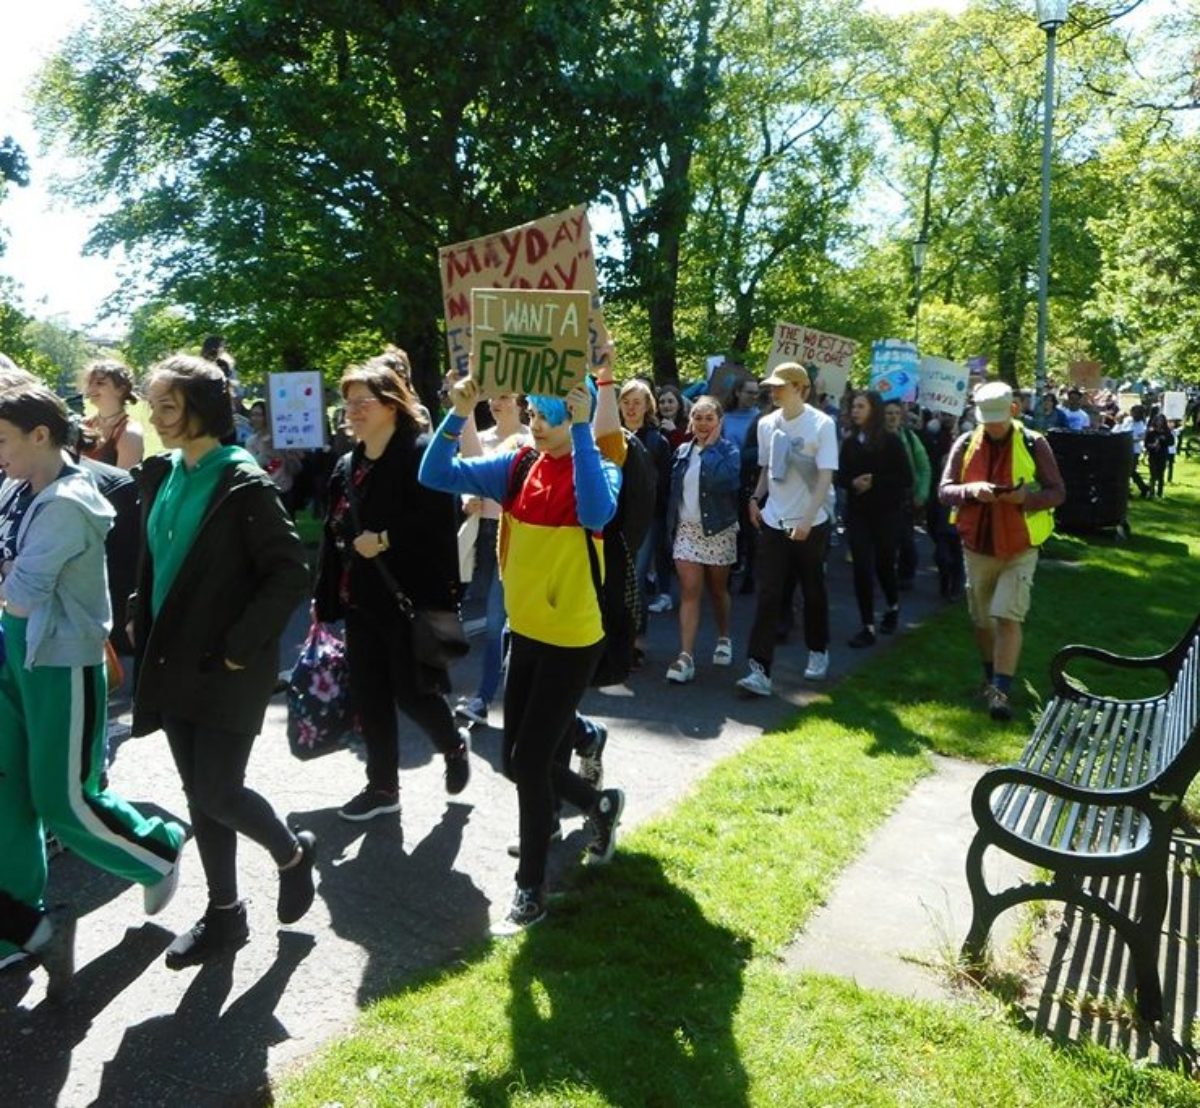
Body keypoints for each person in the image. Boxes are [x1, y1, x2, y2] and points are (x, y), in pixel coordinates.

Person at [420, 376, 624, 935]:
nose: (535, 423)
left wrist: (581, 431)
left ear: (573, 417)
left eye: (548, 416)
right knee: (520, 760)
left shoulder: (600, 464)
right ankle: (596, 806)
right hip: (525, 633)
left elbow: (597, 511)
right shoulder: (516, 466)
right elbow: (434, 473)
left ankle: (530, 886)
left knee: (530, 762)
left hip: (573, 638)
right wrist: (457, 414)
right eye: (534, 412)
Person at [130, 355, 317, 968]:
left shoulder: (242, 483)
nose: (154, 418)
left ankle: (291, 854)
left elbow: (290, 573)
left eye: (166, 407)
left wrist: (240, 647)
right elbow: (157, 553)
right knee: (197, 793)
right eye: (153, 405)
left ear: (201, 411)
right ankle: (225, 915)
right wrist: (139, 605)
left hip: (226, 666)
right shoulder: (165, 472)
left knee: (217, 790)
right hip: (173, 660)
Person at [0, 381, 184, 979]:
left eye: (1, 439)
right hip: (13, 661)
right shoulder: (15, 486)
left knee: (65, 800)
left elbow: (24, 598)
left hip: (59, 662)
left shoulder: (71, 501)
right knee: (8, 797)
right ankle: (18, 928)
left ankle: (156, 851)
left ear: (40, 435)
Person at [313, 360, 471, 823]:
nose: (353, 411)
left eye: (363, 402)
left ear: (392, 404)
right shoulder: (348, 463)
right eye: (349, 403)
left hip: (409, 597)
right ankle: (383, 787)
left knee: (411, 691)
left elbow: (441, 519)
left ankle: (452, 745)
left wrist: (384, 539)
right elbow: (333, 531)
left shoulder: (420, 454)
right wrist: (324, 596)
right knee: (369, 693)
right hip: (359, 599)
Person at [938, 381, 1065, 722]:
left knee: (1008, 615)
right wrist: (970, 490)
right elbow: (945, 491)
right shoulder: (965, 443)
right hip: (977, 547)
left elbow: (1058, 492)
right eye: (986, 418)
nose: (992, 425)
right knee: (981, 620)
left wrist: (1027, 499)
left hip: (1020, 547)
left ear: (1013, 410)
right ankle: (990, 674)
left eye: (997, 418)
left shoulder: (1035, 443)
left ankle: (1000, 693)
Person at [736, 362, 838, 695]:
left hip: (812, 523)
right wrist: (756, 497)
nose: (773, 390)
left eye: (781, 386)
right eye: (772, 386)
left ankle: (818, 649)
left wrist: (809, 519)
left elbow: (825, 477)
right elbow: (766, 469)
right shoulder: (766, 424)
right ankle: (759, 670)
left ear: (800, 388)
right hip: (774, 520)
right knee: (769, 594)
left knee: (812, 590)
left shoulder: (822, 424)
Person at [454, 391, 532, 725]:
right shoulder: (481, 440)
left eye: (503, 397)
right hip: (483, 537)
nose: (495, 403)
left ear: (519, 402)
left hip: (517, 538)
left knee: (495, 621)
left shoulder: (532, 440)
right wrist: (467, 498)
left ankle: (484, 699)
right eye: (492, 398)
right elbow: (467, 476)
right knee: (498, 619)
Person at [664, 396, 740, 683]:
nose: (703, 423)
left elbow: (727, 483)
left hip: (718, 530)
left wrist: (710, 449)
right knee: (690, 590)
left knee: (718, 591)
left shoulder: (729, 451)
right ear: (690, 421)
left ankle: (723, 636)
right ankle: (686, 657)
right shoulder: (682, 451)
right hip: (687, 531)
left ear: (719, 422)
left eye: (709, 418)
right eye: (698, 417)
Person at [838, 392, 911, 647]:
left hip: (886, 514)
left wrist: (876, 482)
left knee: (883, 564)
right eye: (853, 406)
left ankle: (892, 606)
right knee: (861, 567)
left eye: (861, 406)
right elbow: (840, 476)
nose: (855, 411)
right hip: (858, 514)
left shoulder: (891, 441)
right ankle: (867, 625)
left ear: (873, 410)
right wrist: (852, 483)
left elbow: (906, 478)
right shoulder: (849, 443)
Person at [618, 379, 672, 628]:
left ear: (647, 406)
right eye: (626, 402)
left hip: (646, 520)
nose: (631, 408)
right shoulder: (607, 437)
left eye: (636, 402)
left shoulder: (657, 442)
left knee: (636, 577)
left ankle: (635, 638)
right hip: (613, 516)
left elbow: (665, 487)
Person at [720, 377, 763, 595]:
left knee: (750, 530)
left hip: (752, 481)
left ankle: (750, 576)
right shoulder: (725, 418)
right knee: (730, 530)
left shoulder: (762, 418)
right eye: (749, 392)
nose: (753, 397)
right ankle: (728, 571)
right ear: (737, 392)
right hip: (729, 481)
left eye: (756, 393)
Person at [883, 401, 930, 590]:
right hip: (881, 499)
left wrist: (922, 493)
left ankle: (905, 576)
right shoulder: (874, 438)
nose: (893, 416)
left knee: (906, 541)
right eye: (888, 413)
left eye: (896, 412)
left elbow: (924, 467)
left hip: (904, 499)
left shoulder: (910, 439)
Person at [81, 359, 144, 469]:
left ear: (120, 390)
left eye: (100, 383)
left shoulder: (130, 433)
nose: (90, 389)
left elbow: (124, 483)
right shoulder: (84, 425)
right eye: (90, 383)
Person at [245, 400, 303, 507]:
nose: (254, 419)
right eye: (253, 414)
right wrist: (264, 450)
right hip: (262, 492)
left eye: (259, 415)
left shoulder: (283, 439)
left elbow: (296, 469)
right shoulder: (251, 442)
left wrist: (289, 456)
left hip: (283, 492)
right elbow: (252, 468)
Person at [1144, 413, 1174, 498]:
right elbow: (1146, 444)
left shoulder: (1167, 432)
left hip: (1162, 455)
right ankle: (1151, 492)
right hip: (1153, 455)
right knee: (1153, 473)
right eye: (1158, 420)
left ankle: (1160, 493)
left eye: (1161, 420)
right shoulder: (1151, 432)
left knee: (1161, 474)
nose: (1159, 422)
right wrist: (1152, 446)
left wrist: (1164, 440)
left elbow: (1171, 442)